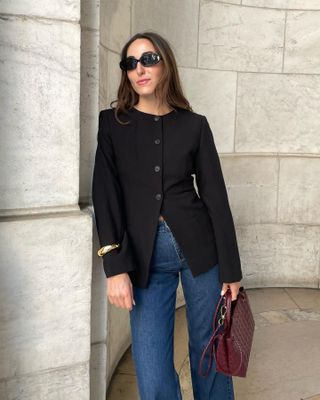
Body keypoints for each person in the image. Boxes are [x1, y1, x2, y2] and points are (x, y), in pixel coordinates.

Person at [92, 31, 242, 400]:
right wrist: (114, 267)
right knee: (151, 364)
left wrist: (231, 271)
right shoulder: (113, 124)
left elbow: (215, 199)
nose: (139, 69)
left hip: (200, 249)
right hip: (144, 254)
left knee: (208, 349)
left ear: (165, 64)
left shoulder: (194, 125)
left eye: (148, 59)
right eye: (130, 63)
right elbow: (105, 194)